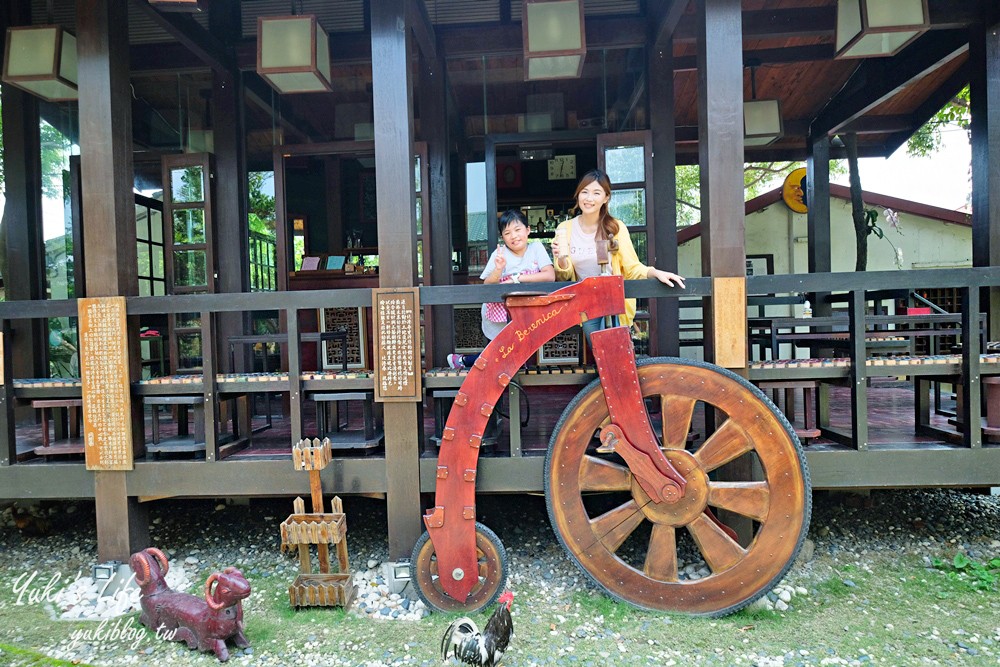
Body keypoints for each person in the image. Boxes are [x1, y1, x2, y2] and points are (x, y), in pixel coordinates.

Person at [550, 169, 685, 342]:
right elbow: (563, 276)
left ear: (606, 198)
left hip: (613, 304)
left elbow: (631, 268)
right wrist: (561, 258)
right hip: (585, 305)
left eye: (596, 193)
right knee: (604, 358)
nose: (589, 198)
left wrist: (654, 272)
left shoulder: (615, 227)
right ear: (578, 194)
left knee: (615, 358)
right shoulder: (565, 229)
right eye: (585, 192)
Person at [448, 209, 555, 369]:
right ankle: (466, 362)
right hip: (501, 312)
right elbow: (487, 285)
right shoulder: (499, 254)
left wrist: (516, 279)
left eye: (518, 230)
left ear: (528, 230)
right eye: (507, 233)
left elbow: (549, 276)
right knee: (502, 349)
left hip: (529, 311)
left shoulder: (536, 248)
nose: (514, 236)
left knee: (509, 350)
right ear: (502, 237)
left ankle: (465, 361)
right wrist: (499, 269)